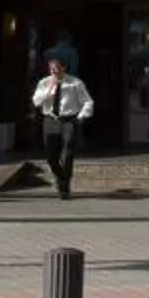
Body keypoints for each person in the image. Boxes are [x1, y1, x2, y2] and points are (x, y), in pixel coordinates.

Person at [32, 53, 95, 200]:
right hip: (51, 119)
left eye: (56, 69)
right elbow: (36, 101)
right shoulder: (44, 82)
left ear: (63, 68)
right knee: (51, 156)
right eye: (51, 69)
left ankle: (64, 187)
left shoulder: (75, 83)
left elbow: (88, 101)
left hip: (69, 120)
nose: (53, 72)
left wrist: (81, 117)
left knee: (67, 153)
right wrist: (49, 89)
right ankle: (62, 177)